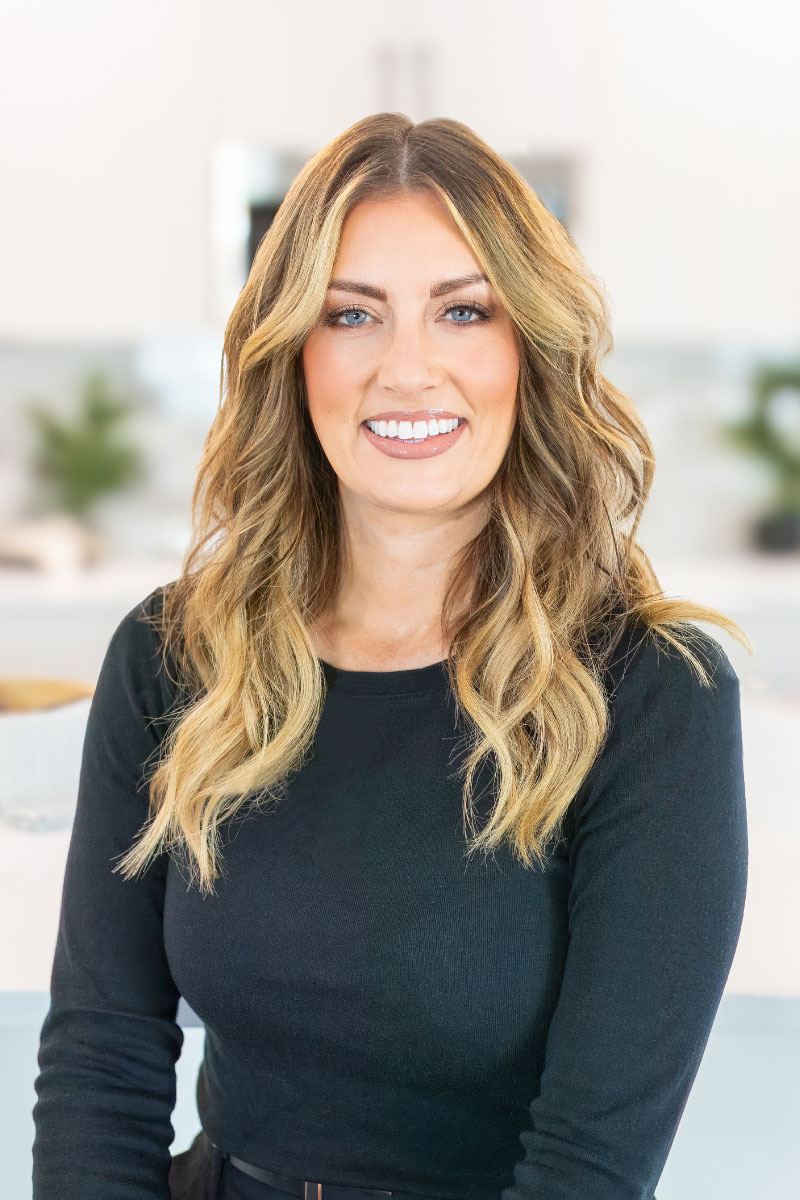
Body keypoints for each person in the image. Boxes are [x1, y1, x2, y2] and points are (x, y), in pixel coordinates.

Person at [31, 112, 750, 1200]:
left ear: (528, 350)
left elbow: (587, 1168)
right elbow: (102, 1060)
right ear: (294, 353)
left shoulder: (650, 696)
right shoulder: (178, 655)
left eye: (463, 311)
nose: (406, 370)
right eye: (350, 314)